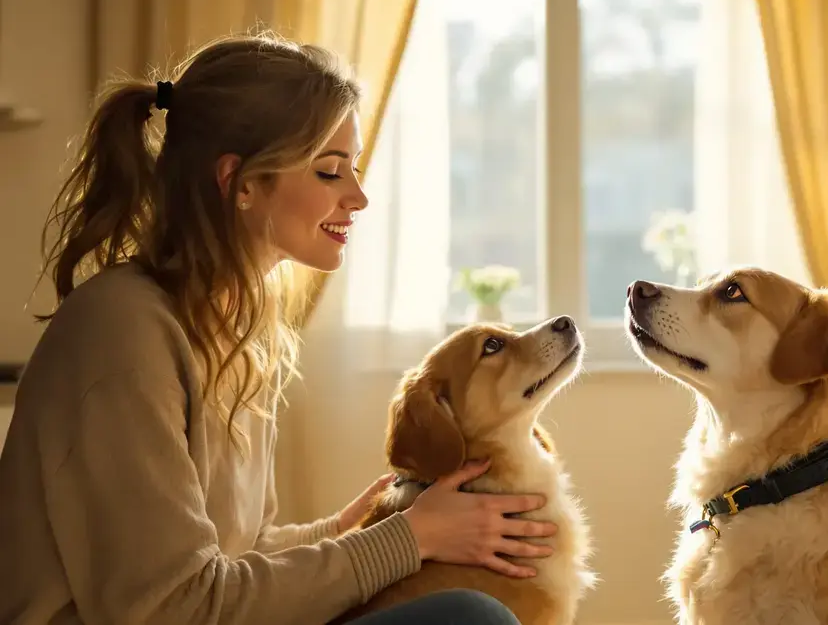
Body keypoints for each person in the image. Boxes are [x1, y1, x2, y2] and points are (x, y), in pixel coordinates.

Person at [0, 31, 556, 625]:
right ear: (241, 182)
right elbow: (175, 606)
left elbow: (244, 551)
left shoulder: (237, 327)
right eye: (329, 172)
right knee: (469, 619)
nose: (359, 198)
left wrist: (361, 527)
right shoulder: (122, 331)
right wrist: (406, 543)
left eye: (355, 169)